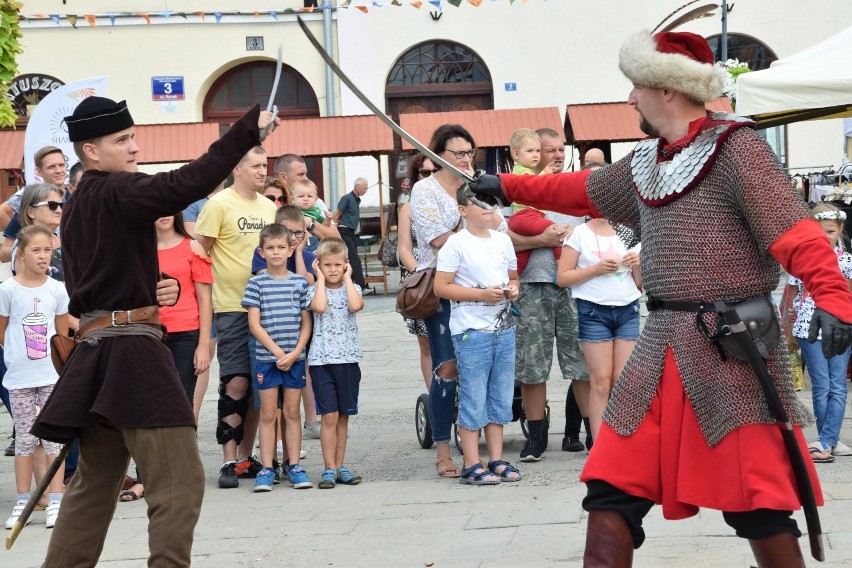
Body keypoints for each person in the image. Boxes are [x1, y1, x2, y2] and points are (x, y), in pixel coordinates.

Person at [467, 30, 852, 565]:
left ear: (666, 90)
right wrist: (510, 186)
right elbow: (579, 190)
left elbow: (797, 234)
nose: (629, 99)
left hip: (731, 351)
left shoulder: (739, 150)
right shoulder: (649, 161)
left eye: (635, 87)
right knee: (609, 494)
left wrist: (836, 298)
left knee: (758, 508)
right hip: (660, 347)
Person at [30, 96, 277, 566]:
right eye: (121, 140)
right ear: (91, 151)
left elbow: (98, 277)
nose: (134, 147)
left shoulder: (82, 200)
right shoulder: (116, 190)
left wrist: (147, 288)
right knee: (179, 481)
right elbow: (185, 182)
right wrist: (247, 131)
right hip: (129, 355)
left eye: (133, 137)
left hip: (99, 350)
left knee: (93, 485)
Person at [194, 145, 279, 488]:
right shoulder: (219, 204)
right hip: (231, 306)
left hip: (268, 307)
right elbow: (199, 249)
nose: (262, 171)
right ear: (237, 168)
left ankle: (246, 457)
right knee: (236, 383)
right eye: (256, 165)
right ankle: (228, 459)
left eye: (265, 165)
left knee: (261, 385)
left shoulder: (269, 207)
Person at [505, 131, 589, 461]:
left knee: (581, 364)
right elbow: (504, 241)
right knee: (531, 367)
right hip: (532, 287)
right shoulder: (519, 189)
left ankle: (592, 432)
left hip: (573, 288)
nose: (554, 155)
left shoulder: (574, 191)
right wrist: (545, 240)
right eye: (546, 150)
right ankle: (536, 437)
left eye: (559, 149)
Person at [434, 188, 522, 485]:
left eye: (491, 202)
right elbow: (441, 287)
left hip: (504, 328)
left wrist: (514, 289)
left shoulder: (503, 240)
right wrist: (481, 295)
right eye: (479, 203)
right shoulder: (455, 244)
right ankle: (471, 462)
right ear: (462, 211)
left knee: (501, 394)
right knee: (473, 395)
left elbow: (513, 277)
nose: (487, 207)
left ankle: (495, 458)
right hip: (471, 331)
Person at [410, 124, 477, 479]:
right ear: (438, 155)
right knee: (446, 368)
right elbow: (437, 240)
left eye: (470, 152)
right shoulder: (425, 190)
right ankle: (441, 450)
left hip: (480, 290)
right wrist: (477, 231)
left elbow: (499, 227)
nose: (467, 159)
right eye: (459, 153)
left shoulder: (479, 186)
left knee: (478, 367)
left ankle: (475, 446)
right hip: (439, 290)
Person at [0, 225, 69, 530]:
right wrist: (17, 355)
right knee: (26, 440)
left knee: (53, 439)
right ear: (21, 255)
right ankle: (23, 500)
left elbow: (62, 333)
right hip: (19, 378)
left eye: (47, 250)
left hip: (51, 376)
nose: (43, 256)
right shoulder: (7, 290)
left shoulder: (57, 288)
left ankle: (56, 500)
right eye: (36, 250)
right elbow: (2, 330)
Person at [558, 217, 642, 442]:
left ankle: (622, 444)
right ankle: (600, 447)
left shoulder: (630, 230)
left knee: (622, 381)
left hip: (628, 309)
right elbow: (563, 277)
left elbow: (639, 284)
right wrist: (596, 268)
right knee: (601, 381)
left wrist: (637, 263)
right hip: (593, 311)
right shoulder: (579, 233)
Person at [243, 223, 312, 491]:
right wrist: (277, 352)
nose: (275, 252)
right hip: (267, 359)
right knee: (268, 413)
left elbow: (306, 323)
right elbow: (254, 325)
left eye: (281, 247)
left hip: (294, 359)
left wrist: (295, 353)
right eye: (270, 248)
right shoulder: (256, 283)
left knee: (293, 412)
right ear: (261, 251)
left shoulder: (299, 283)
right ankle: (267, 468)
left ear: (290, 249)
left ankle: (293, 465)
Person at [785, 203, 852, 463]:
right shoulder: (800, 260)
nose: (826, 237)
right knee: (821, 386)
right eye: (821, 231)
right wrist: (789, 329)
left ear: (841, 230)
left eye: (831, 231)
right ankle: (829, 439)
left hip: (839, 328)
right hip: (807, 329)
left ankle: (826, 440)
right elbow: (790, 300)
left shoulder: (847, 261)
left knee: (837, 386)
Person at [306, 237, 365, 489]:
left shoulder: (353, 288)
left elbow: (356, 305)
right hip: (322, 361)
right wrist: (318, 279)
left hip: (348, 361)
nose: (332, 269)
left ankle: (340, 466)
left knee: (343, 416)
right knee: (328, 416)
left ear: (345, 265)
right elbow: (319, 307)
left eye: (337, 264)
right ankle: (328, 468)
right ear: (318, 265)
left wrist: (349, 278)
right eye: (326, 265)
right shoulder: (313, 290)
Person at [398, 155, 434, 390]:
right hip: (422, 281)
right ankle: (436, 397)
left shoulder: (452, 201)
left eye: (434, 171)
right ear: (416, 177)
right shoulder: (408, 208)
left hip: (452, 277)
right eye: (424, 172)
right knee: (427, 344)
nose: (430, 177)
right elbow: (404, 248)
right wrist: (421, 276)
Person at [507, 129, 561, 276]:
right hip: (527, 216)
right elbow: (532, 184)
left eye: (538, 150)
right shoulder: (520, 171)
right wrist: (545, 174)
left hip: (522, 218)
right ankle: (562, 269)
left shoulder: (527, 171)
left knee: (521, 257)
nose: (535, 155)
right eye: (530, 151)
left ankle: (512, 278)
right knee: (558, 232)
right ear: (516, 154)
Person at [333, 177, 369, 290]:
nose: (366, 190)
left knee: (352, 258)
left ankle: (355, 285)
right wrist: (335, 230)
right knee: (354, 259)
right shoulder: (347, 198)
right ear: (357, 187)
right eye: (364, 188)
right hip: (344, 231)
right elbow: (336, 214)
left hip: (351, 232)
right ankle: (361, 286)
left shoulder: (357, 199)